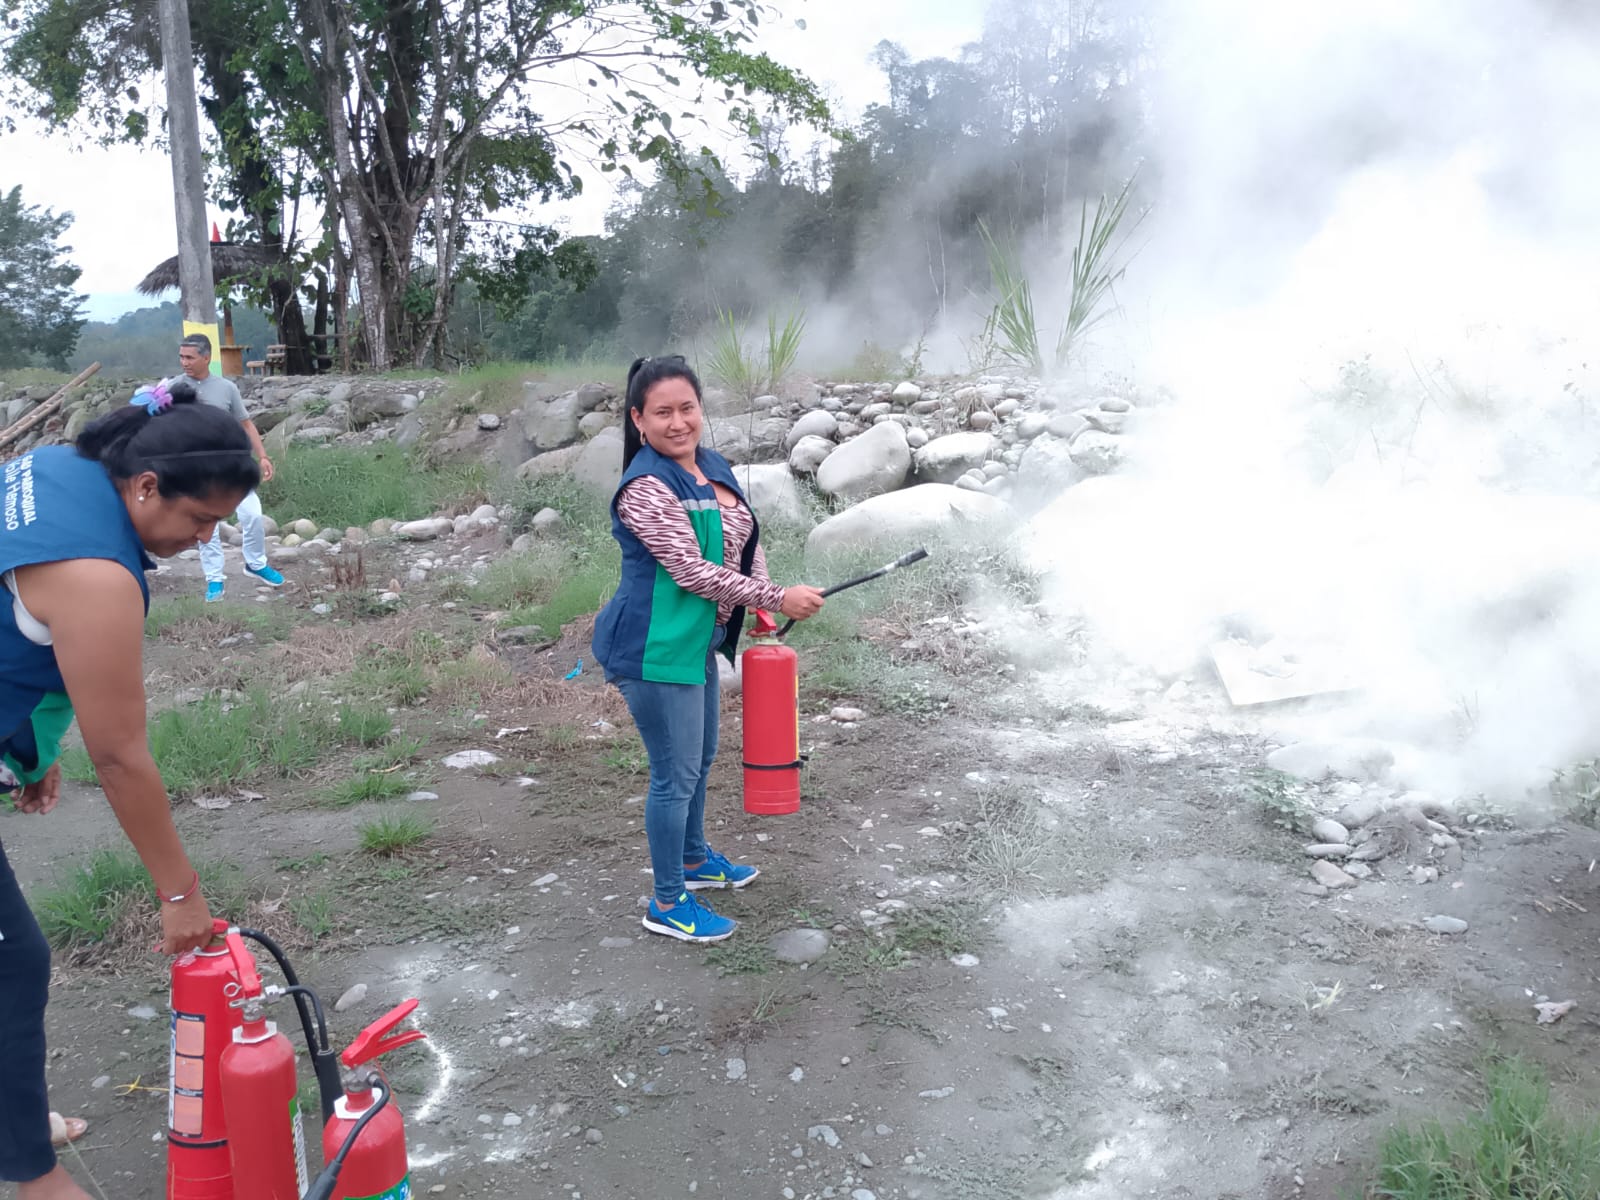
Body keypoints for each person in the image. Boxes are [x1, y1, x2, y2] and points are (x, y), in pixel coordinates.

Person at [0, 380, 260, 1200]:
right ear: (147, 486)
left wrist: (27, 752)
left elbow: (19, 626)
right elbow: (119, 756)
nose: (204, 538)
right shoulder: (96, 576)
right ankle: (32, 1174)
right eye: (200, 519)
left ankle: (11, 1119)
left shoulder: (54, 469)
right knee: (13, 964)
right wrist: (180, 892)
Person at [593, 355, 825, 944]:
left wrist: (764, 603)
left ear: (701, 409)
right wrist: (777, 596)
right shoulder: (645, 487)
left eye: (687, 408)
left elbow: (745, 540)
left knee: (700, 757)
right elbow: (692, 571)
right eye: (662, 413)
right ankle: (668, 901)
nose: (678, 423)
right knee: (674, 774)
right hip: (652, 648)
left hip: (697, 642)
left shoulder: (711, 465)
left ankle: (694, 859)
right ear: (638, 420)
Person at [170, 333, 283, 600]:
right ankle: (214, 580)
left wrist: (263, 456)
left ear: (206, 358)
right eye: (181, 357)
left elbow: (246, 423)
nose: (184, 362)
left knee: (252, 514)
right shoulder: (174, 388)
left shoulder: (226, 388)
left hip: (231, 463)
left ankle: (255, 563)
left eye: (190, 357)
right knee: (208, 523)